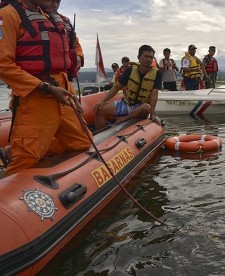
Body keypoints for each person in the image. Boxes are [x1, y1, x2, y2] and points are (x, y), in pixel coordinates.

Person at [0, 0, 92, 177]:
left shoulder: (47, 15)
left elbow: (70, 44)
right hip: (35, 95)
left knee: (82, 141)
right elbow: (3, 65)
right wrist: (46, 88)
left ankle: (16, 150)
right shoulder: (8, 15)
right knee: (26, 159)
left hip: (64, 90)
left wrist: (77, 59)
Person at [94, 45, 162, 130]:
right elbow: (116, 87)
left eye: (151, 57)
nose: (148, 59)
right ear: (139, 57)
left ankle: (123, 119)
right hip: (125, 104)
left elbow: (154, 95)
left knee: (147, 107)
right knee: (99, 110)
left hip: (141, 107)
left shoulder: (157, 74)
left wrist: (152, 115)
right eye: (146, 56)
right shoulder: (130, 70)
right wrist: (102, 101)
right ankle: (100, 136)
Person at [47, 0, 83, 81]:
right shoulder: (29, 17)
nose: (55, 5)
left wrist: (79, 56)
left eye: (58, 2)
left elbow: (75, 42)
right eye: (52, 1)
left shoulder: (64, 20)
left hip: (66, 78)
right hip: (45, 81)